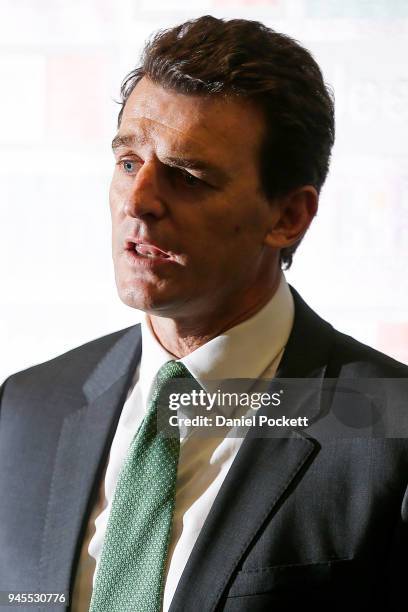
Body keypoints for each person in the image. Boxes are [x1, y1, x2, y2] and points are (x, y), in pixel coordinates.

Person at [0, 15, 407, 612]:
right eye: (129, 162)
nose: (138, 203)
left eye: (188, 176)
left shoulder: (390, 429)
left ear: (288, 216)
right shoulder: (26, 408)